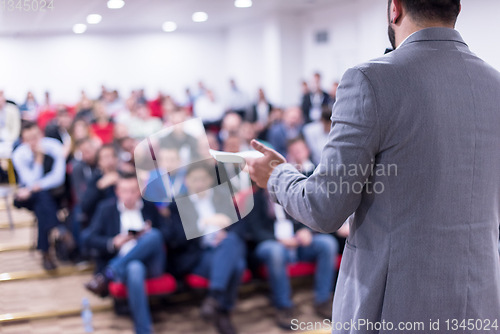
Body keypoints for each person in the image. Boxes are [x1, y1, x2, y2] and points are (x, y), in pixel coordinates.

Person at [247, 0, 500, 331]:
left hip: (397, 305)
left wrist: (277, 176)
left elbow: (324, 206)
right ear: (457, 9)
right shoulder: (494, 83)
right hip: (481, 302)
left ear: (394, 9)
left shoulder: (371, 79)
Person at [166, 162, 246, 334]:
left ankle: (215, 299)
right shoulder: (179, 204)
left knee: (231, 240)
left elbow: (240, 226)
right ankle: (223, 310)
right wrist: (202, 226)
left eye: (203, 179)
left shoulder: (222, 195)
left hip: (224, 248)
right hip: (198, 254)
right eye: (195, 179)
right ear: (187, 181)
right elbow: (177, 238)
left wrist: (224, 233)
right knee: (237, 266)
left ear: (210, 180)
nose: (199, 183)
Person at [84, 173, 168, 334]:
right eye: (124, 191)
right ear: (117, 191)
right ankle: (144, 330)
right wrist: (112, 242)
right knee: (134, 267)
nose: (129, 195)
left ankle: (110, 272)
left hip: (152, 263)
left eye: (133, 191)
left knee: (154, 235)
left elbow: (169, 232)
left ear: (140, 191)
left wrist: (148, 233)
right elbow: (88, 238)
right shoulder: (106, 209)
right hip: (126, 265)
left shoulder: (149, 207)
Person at [246, 187, 338, 329]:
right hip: (270, 244)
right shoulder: (252, 200)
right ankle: (283, 306)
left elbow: (306, 217)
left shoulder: (291, 194)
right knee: (275, 251)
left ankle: (323, 300)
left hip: (297, 243)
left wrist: (305, 230)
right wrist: (279, 240)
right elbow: (255, 230)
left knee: (327, 244)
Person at [12, 122, 66, 270]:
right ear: (23, 140)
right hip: (32, 196)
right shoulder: (19, 154)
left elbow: (58, 177)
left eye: (36, 137)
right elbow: (29, 180)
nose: (33, 141)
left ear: (41, 134)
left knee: (42, 201)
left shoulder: (54, 146)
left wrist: (34, 187)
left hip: (53, 193)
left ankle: (45, 253)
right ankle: (60, 229)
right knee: (42, 198)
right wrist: (39, 159)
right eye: (29, 139)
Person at [80, 145, 120, 226]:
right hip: (102, 222)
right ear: (99, 162)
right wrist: (99, 187)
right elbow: (85, 206)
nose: (110, 160)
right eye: (106, 157)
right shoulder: (94, 180)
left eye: (113, 156)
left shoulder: (125, 177)